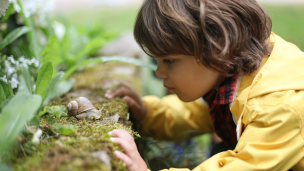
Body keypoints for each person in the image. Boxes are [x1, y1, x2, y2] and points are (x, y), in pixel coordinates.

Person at [106, 0, 304, 170]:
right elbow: (201, 112)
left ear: (218, 47)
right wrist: (148, 113)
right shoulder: (238, 63)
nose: (158, 72)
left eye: (169, 60)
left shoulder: (276, 106)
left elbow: (244, 165)